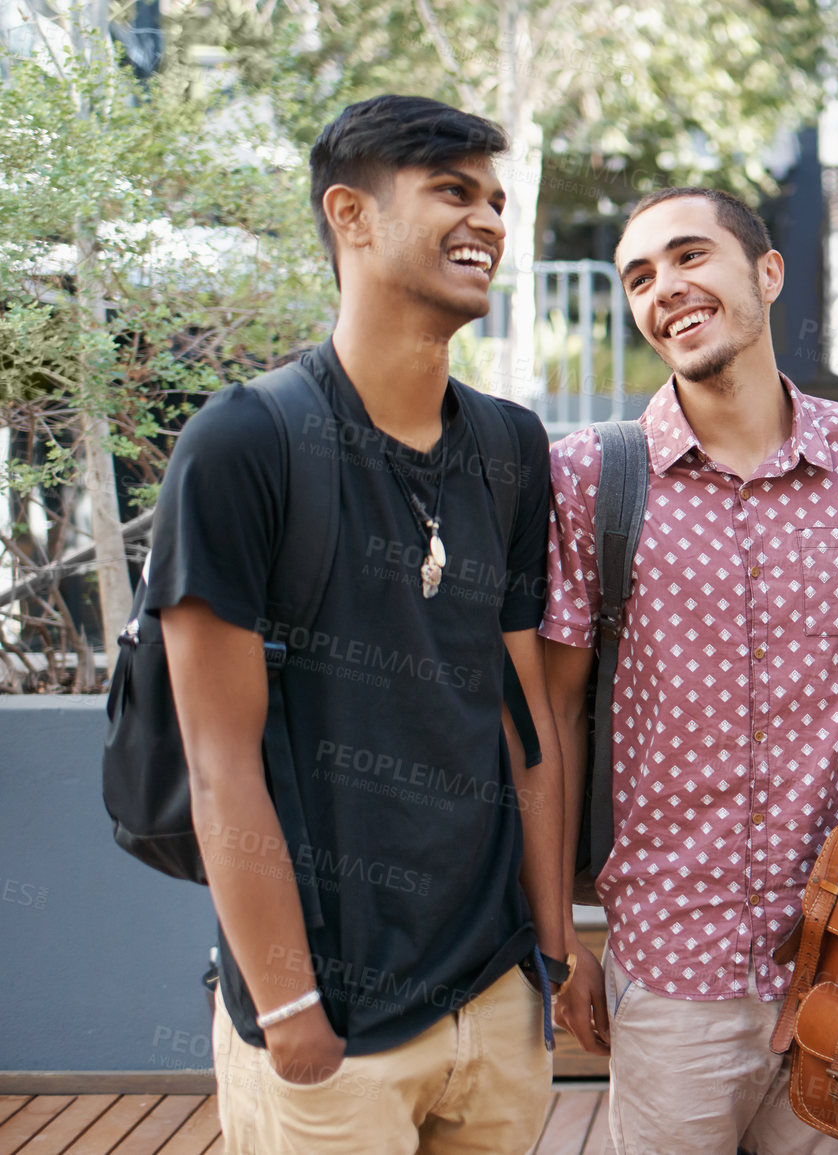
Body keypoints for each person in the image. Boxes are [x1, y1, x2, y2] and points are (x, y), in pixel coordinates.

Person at [153, 95, 566, 1153]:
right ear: (352, 215)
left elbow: (524, 720)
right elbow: (217, 762)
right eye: (451, 192)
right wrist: (289, 1014)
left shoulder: (513, 449)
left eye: (495, 200)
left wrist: (549, 959)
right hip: (329, 1027)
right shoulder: (245, 443)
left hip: (495, 999)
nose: (486, 221)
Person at [540, 186, 838, 1154]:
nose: (666, 288)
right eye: (640, 277)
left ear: (768, 273)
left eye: (690, 256)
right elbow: (556, 717)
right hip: (672, 973)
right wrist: (560, 938)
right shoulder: (591, 476)